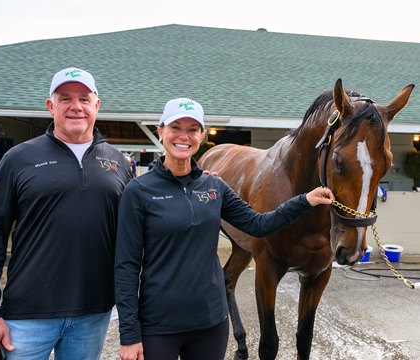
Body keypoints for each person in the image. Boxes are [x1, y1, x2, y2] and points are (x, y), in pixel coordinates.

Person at [114, 97, 334, 360]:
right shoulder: (138, 191)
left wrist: (304, 201)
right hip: (159, 326)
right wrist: (129, 334)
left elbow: (257, 224)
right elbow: (126, 266)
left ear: (202, 136)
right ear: (161, 131)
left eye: (192, 129)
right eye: (176, 127)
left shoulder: (213, 187)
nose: (183, 136)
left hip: (210, 323)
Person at [0, 67, 132, 359]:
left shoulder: (119, 162)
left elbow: (138, 230)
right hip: (27, 315)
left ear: (97, 105)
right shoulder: (19, 159)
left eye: (84, 98)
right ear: (50, 106)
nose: (76, 106)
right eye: (65, 98)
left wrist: (200, 185)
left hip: (93, 313)